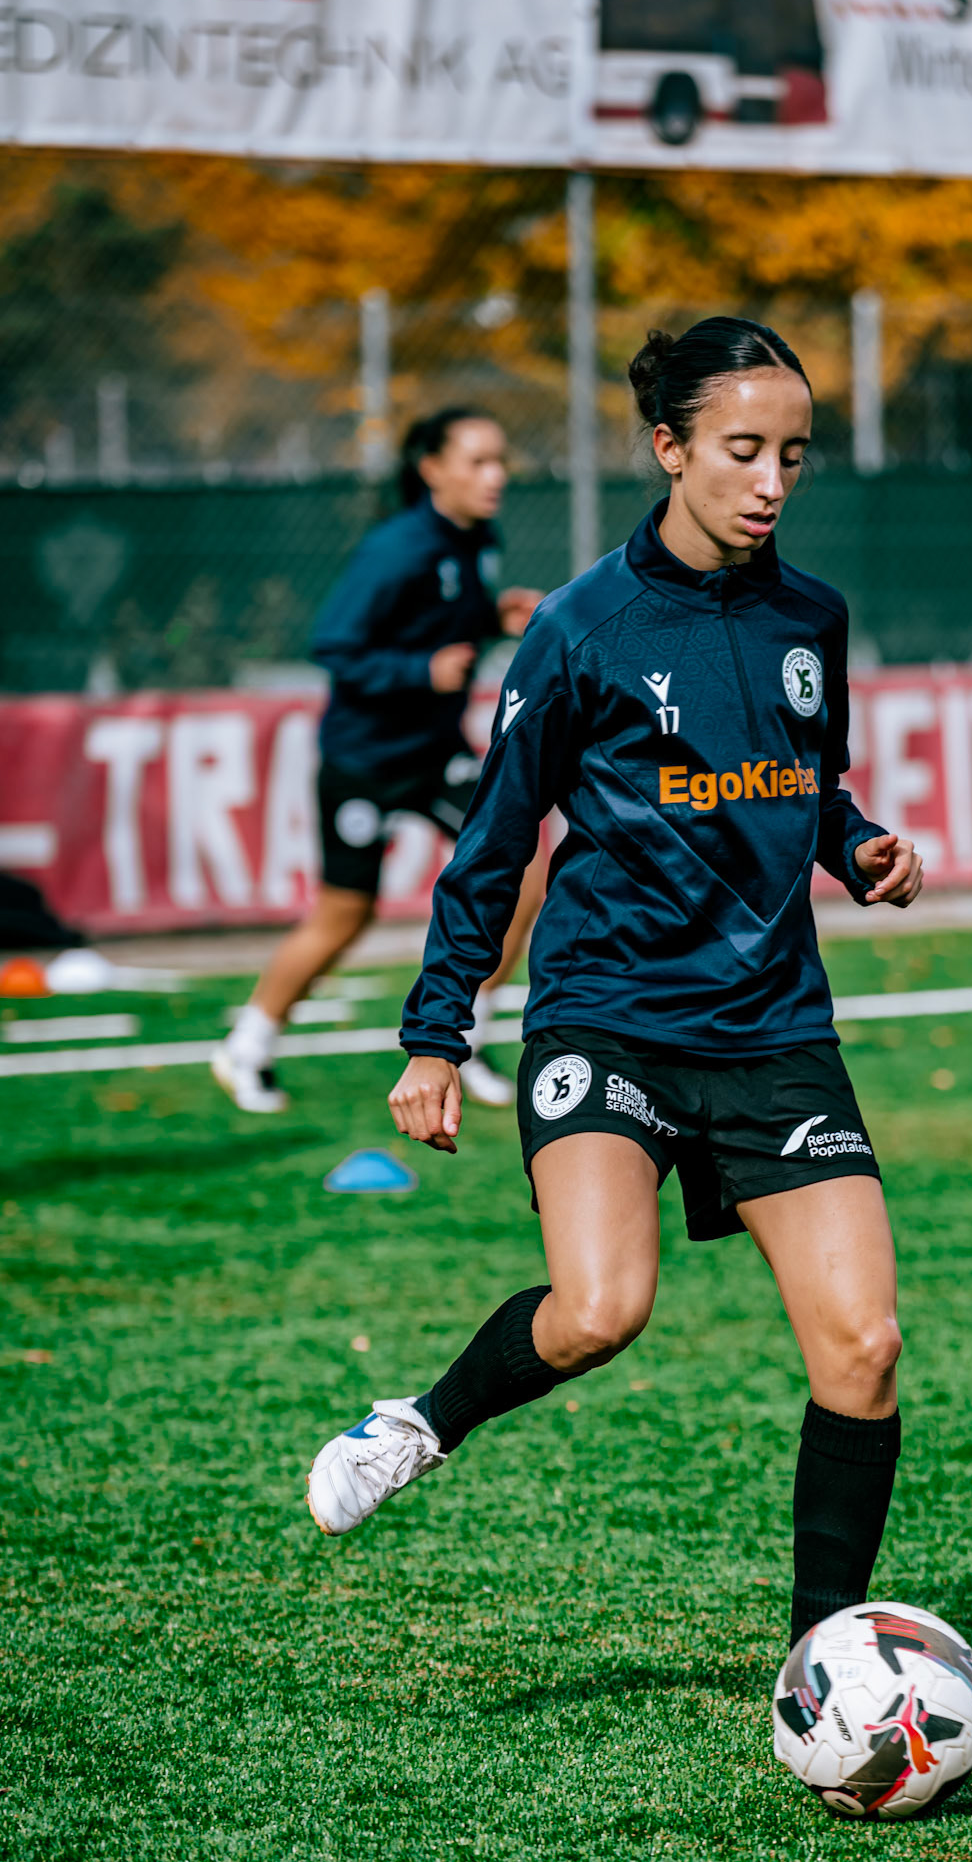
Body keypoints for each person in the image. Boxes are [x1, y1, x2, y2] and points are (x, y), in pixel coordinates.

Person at [305, 318, 923, 1652]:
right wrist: (434, 1033)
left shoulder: (813, 616)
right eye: (743, 451)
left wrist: (853, 844)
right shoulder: (587, 625)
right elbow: (494, 839)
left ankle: (821, 1656)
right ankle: (422, 1422)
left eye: (794, 456)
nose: (771, 481)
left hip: (773, 1030)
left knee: (863, 1348)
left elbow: (806, 784)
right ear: (670, 447)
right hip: (608, 1016)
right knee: (600, 1311)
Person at [212, 406, 544, 1115]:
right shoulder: (396, 548)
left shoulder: (479, 537)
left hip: (437, 753)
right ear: (432, 470)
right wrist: (417, 671)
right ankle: (248, 1045)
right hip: (365, 760)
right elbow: (335, 646)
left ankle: (467, 1039)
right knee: (344, 914)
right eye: (479, 462)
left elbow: (445, 611)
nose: (496, 478)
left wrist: (495, 616)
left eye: (500, 462)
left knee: (523, 871)